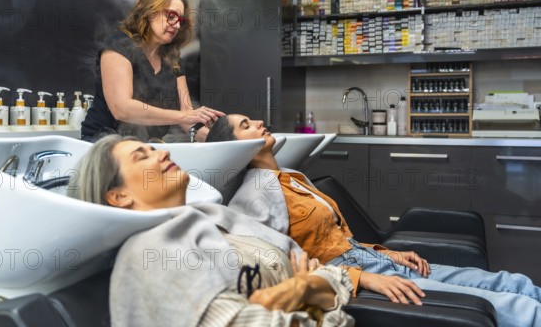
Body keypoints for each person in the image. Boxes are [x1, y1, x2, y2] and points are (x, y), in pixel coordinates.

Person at [206, 114, 541, 327]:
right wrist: (361, 278)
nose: (258, 123)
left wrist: (385, 252)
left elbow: (338, 235)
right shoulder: (253, 196)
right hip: (354, 277)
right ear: (235, 146)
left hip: (372, 259)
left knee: (507, 283)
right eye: (245, 125)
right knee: (509, 306)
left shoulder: (291, 177)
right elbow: (281, 265)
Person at [68, 134, 355, 327]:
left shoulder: (216, 221)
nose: (163, 152)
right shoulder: (152, 251)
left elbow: (332, 276)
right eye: (142, 157)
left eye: (154, 148)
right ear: (118, 196)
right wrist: (314, 294)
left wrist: (300, 287)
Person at [80, 0, 223, 143]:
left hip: (146, 146)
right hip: (105, 144)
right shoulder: (118, 46)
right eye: (171, 16)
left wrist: (220, 140)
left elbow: (187, 117)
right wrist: (183, 116)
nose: (176, 25)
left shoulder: (173, 59)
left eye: (180, 20)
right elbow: (122, 109)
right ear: (149, 12)